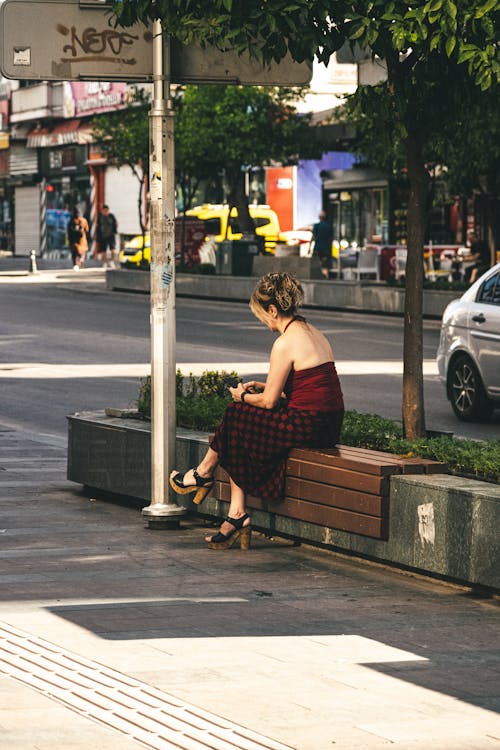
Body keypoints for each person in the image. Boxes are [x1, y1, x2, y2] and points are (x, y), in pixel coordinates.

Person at [169, 272, 345, 550]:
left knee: (237, 413)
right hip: (327, 422)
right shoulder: (313, 332)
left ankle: (205, 474)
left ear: (273, 310)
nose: (264, 322)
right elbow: (302, 387)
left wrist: (242, 395)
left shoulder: (284, 343)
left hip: (309, 425)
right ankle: (233, 513)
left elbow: (269, 403)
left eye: (263, 315)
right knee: (239, 419)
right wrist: (262, 387)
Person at [311, 210, 333, 279]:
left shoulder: (316, 226)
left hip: (318, 248)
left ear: (319, 217)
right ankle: (325, 276)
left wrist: (309, 248)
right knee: (325, 264)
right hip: (326, 249)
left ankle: (320, 276)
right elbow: (331, 238)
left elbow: (313, 237)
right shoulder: (329, 226)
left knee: (317, 262)